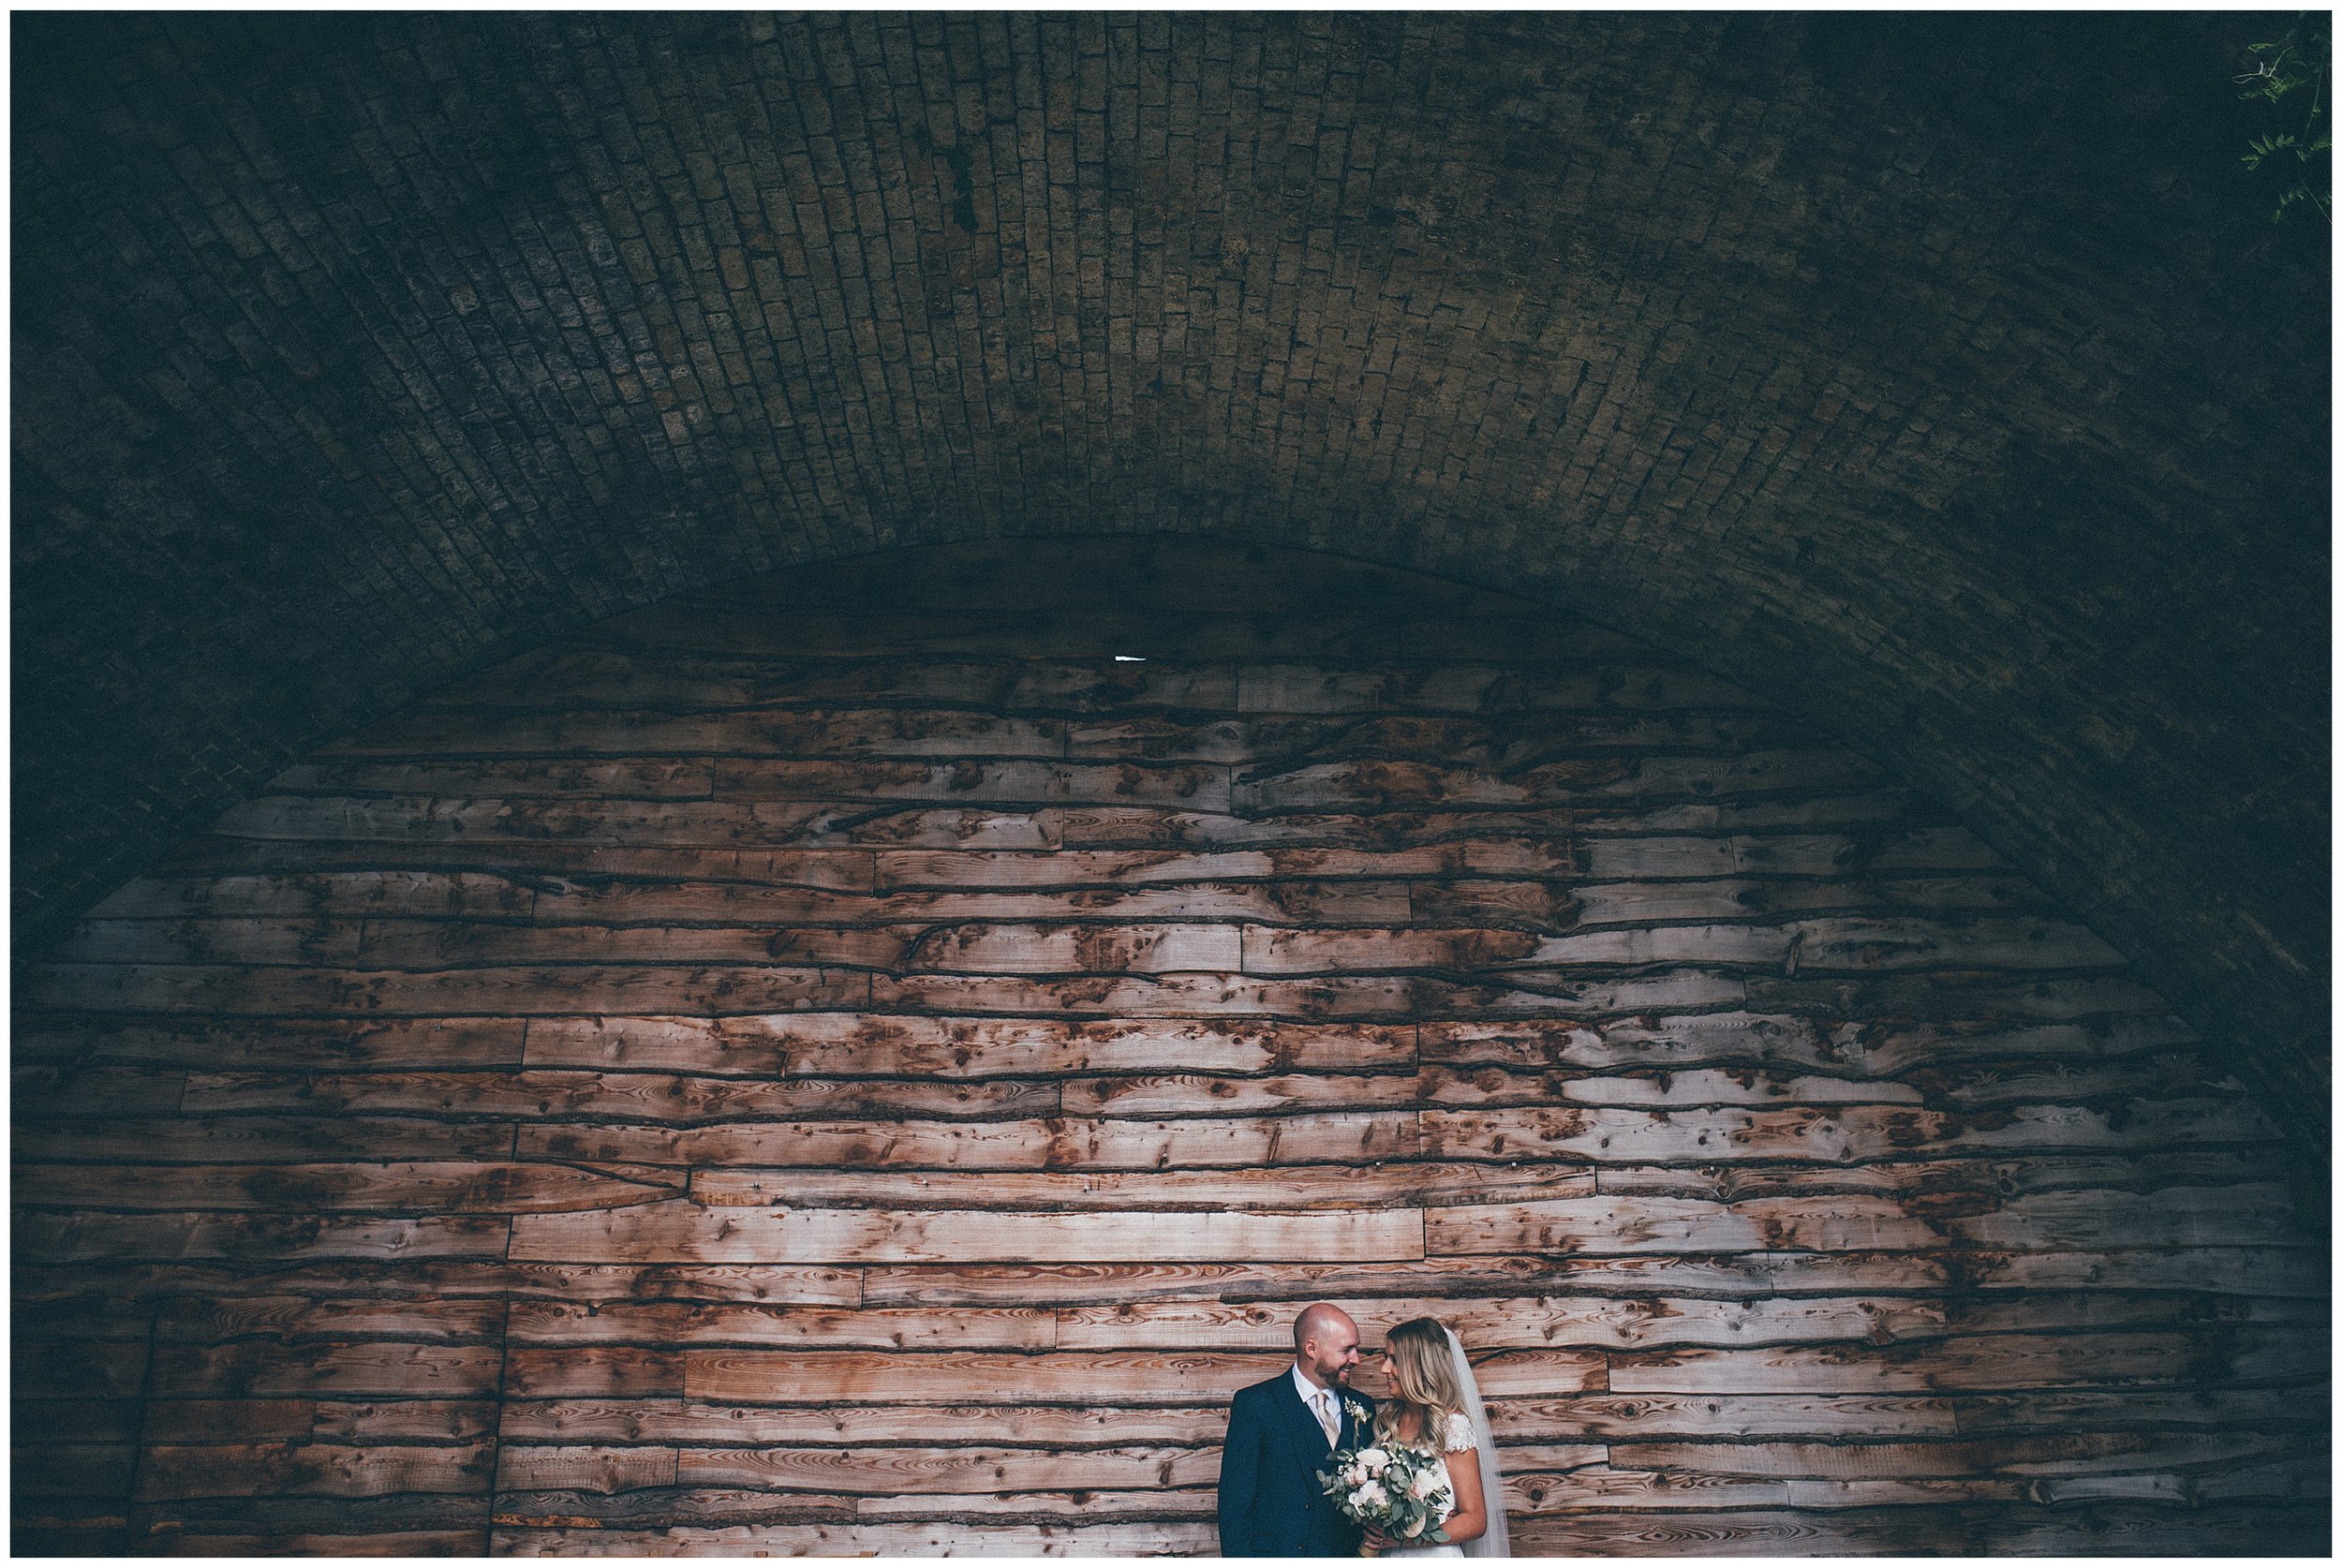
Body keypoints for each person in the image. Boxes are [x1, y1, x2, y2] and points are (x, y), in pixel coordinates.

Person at [1216, 1302, 1377, 1557]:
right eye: (1346, 1350)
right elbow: (1235, 1506)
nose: (1356, 1359)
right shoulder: (1256, 1405)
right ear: (1311, 1348)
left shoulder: (1362, 1407)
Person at [1359, 1316, 1509, 1559]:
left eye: (1394, 1360)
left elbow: (1475, 1520)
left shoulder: (1451, 1426)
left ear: (1419, 1366)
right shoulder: (1389, 1419)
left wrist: (1406, 1539)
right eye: (1386, 1358)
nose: (1384, 1368)